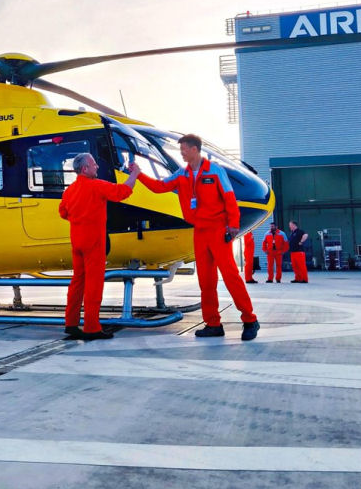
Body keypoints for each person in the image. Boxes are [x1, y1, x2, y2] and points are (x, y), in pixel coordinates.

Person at [136, 134, 259, 341]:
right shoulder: (181, 174)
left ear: (195, 149)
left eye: (184, 149)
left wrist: (234, 225)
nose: (182, 153)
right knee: (206, 281)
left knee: (230, 277)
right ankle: (212, 323)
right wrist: (139, 175)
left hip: (218, 230)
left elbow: (230, 199)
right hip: (199, 232)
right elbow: (159, 187)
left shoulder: (215, 171)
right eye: (181, 149)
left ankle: (249, 320)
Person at [59, 154, 140, 340]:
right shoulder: (95, 186)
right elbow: (122, 192)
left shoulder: (70, 190)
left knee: (77, 282)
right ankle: (91, 328)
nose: (97, 166)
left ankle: (71, 324)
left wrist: (79, 218)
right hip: (93, 242)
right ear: (85, 169)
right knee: (93, 285)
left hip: (77, 241)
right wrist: (134, 174)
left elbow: (63, 212)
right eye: (94, 164)